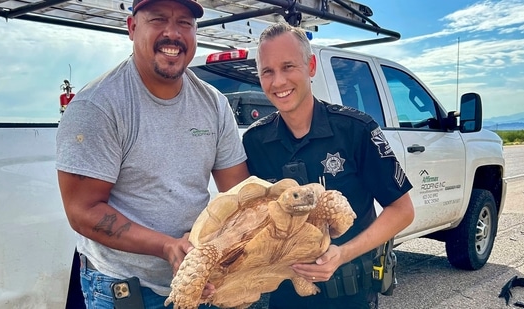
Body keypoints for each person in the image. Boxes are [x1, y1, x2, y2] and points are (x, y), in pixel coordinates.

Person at [55, 0, 249, 308]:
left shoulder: (213, 103)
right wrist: (167, 247)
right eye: (158, 19)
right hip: (122, 288)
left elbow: (240, 195)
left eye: (185, 23)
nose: (172, 34)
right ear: (132, 28)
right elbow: (82, 210)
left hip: (197, 279)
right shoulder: (99, 106)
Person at [242, 22, 415, 309]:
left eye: (288, 67)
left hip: (350, 295)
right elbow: (248, 222)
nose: (278, 82)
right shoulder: (255, 143)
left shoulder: (356, 130)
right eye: (267, 72)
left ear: (310, 66)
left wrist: (342, 253)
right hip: (285, 297)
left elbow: (402, 210)